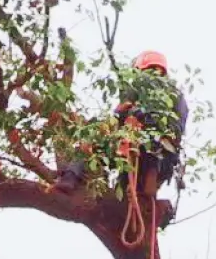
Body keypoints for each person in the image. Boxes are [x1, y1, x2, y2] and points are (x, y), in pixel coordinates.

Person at [55, 50, 188, 201]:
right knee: (135, 181)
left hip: (135, 147)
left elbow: (121, 113)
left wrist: (117, 119)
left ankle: (70, 177)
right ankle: (147, 181)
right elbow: (177, 131)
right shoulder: (178, 96)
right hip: (164, 158)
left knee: (91, 140)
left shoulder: (139, 84)